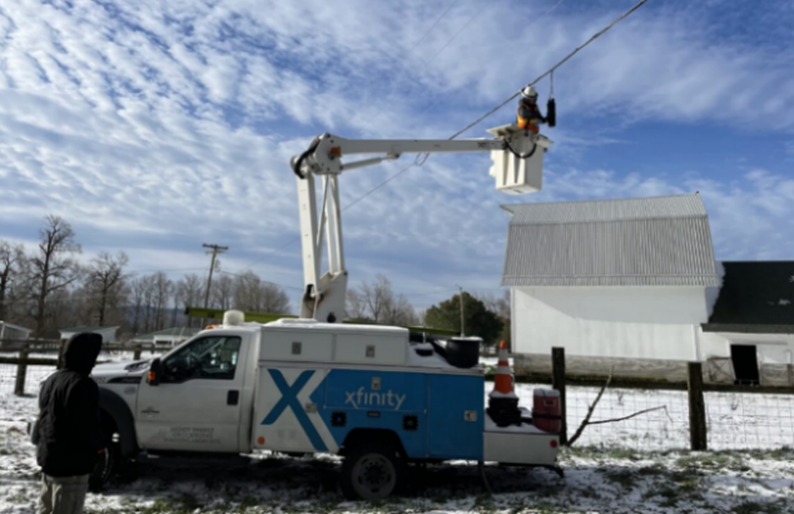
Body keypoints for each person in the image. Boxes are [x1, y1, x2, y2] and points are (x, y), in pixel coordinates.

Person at [32, 332, 106, 514]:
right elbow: (87, 426)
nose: (94, 362)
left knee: (46, 508)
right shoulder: (83, 385)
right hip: (71, 466)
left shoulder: (53, 379)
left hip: (49, 458)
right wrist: (99, 448)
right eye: (93, 356)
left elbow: (43, 416)